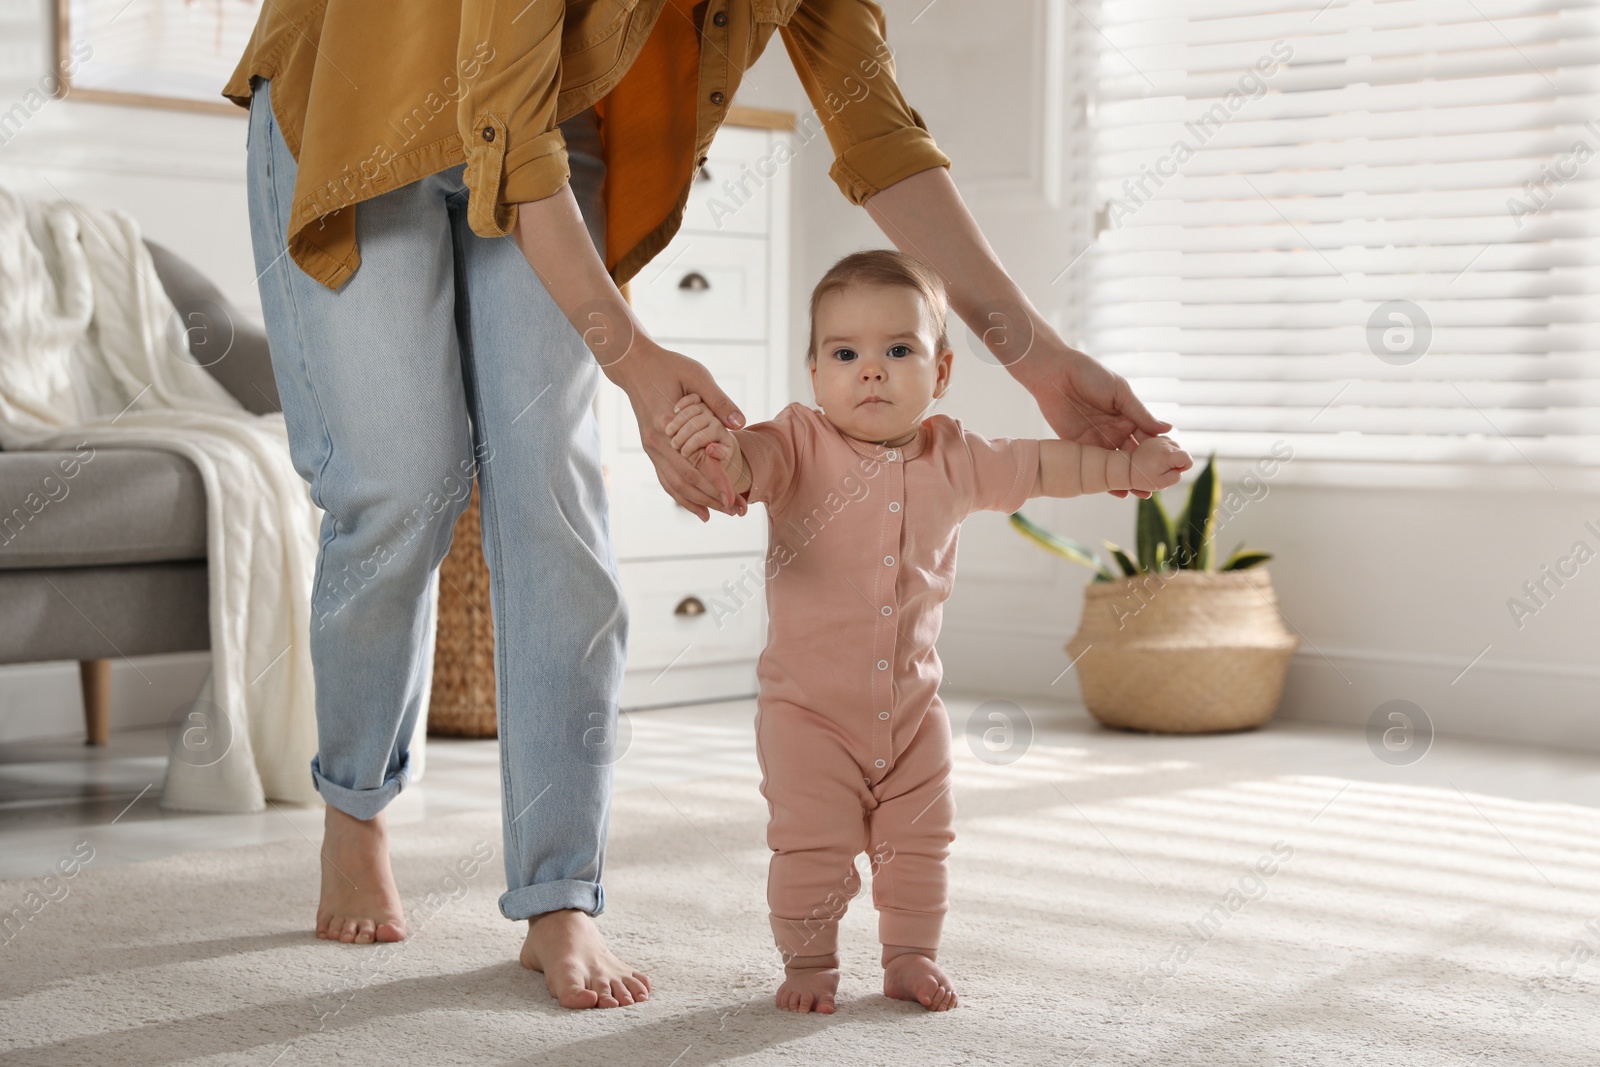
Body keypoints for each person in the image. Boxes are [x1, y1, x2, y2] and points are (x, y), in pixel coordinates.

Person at [223, 0, 1171, 1011]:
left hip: (547, 114)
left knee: (553, 491)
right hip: (364, 95)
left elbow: (874, 128)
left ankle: (558, 896)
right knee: (404, 483)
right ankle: (356, 800)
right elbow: (500, 111)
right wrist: (633, 357)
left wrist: (1034, 353)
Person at [663, 250, 1191, 1013]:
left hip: (914, 711)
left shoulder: (957, 456)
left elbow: (1040, 466)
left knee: (922, 842)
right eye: (845, 353)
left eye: (898, 350)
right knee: (811, 843)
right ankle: (809, 960)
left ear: (940, 372)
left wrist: (1128, 468)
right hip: (807, 715)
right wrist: (719, 450)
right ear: (814, 373)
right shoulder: (798, 441)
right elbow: (752, 466)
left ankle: (910, 954)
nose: (870, 371)